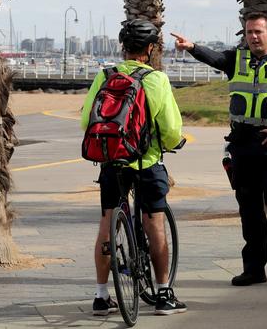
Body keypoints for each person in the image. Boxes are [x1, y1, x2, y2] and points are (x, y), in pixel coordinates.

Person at [171, 12, 267, 288]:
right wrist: (190, 47)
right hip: (242, 145)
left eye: (258, 32)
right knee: (249, 211)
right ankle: (253, 270)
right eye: (249, 32)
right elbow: (212, 58)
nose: (252, 36)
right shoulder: (235, 59)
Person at [81, 19, 187, 316]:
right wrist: (173, 141)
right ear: (151, 48)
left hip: (111, 160)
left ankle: (101, 296)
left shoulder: (104, 76)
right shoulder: (156, 80)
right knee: (154, 221)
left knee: (107, 222)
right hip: (146, 161)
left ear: (122, 46)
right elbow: (170, 129)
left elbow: (84, 121)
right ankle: (164, 293)